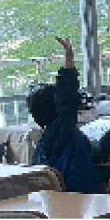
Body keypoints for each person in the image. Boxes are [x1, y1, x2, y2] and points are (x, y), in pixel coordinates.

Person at [27, 37, 99, 193]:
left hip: (56, 200)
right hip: (79, 197)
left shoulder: (44, 142)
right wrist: (69, 61)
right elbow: (66, 98)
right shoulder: (62, 132)